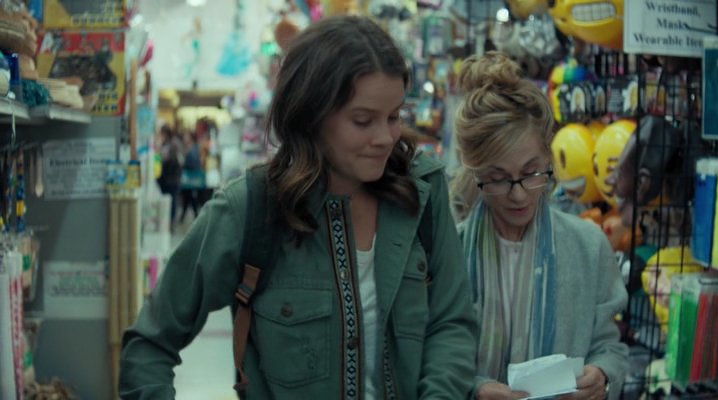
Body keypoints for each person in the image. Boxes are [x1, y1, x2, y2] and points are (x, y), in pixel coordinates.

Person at [120, 15, 477, 399]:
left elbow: (451, 322)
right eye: (362, 121)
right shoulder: (250, 209)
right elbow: (148, 345)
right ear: (311, 117)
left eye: (394, 117)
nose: (386, 138)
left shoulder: (422, 193)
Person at [450, 51, 628, 400]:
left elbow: (610, 347)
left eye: (532, 173)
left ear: (548, 156)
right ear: (475, 171)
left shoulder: (587, 245)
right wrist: (474, 389)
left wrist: (602, 376)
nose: (518, 195)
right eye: (498, 178)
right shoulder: (448, 252)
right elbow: (428, 356)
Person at [156, 124, 183, 228]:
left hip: (171, 178)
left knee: (172, 201)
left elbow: (175, 161)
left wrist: (164, 160)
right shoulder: (166, 144)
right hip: (168, 178)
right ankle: (168, 221)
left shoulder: (173, 144)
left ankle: (171, 222)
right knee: (169, 200)